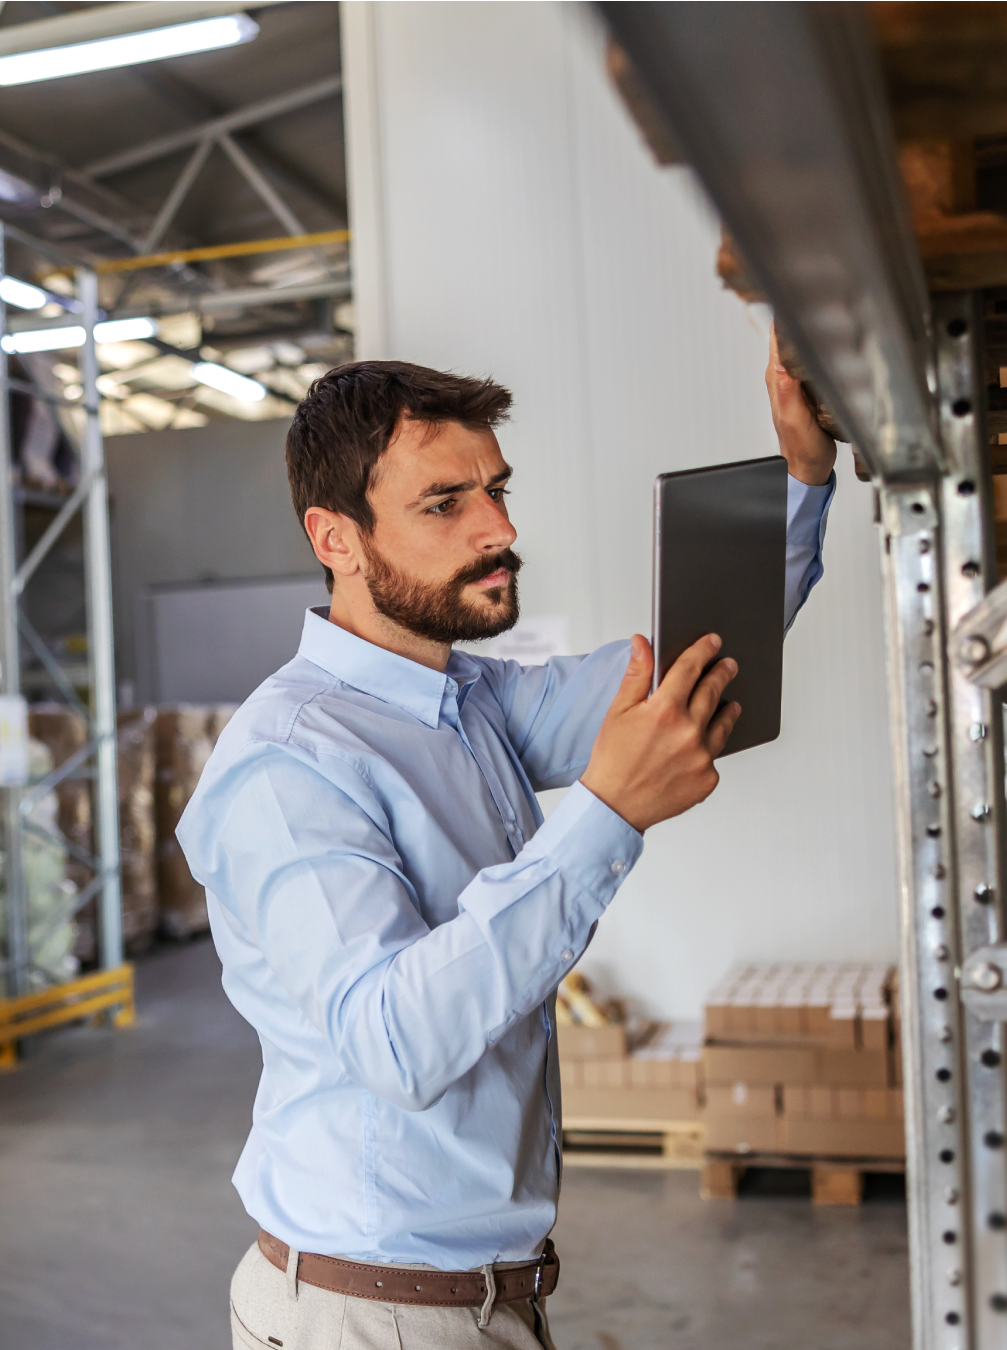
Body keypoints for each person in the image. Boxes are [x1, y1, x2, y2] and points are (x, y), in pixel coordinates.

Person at [178, 344, 838, 1350]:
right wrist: (606, 814)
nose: (500, 530)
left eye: (496, 491)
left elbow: (694, 671)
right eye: (445, 504)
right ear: (337, 539)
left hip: (474, 1302)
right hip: (369, 1318)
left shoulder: (471, 703)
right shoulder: (286, 766)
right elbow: (394, 1041)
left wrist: (801, 479)